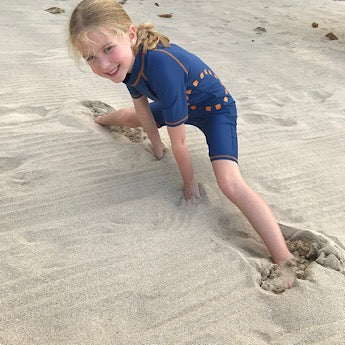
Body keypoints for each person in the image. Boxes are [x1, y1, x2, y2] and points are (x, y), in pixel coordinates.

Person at [68, 0, 295, 278]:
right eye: (90, 58)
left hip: (215, 110)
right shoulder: (124, 64)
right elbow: (141, 106)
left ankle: (284, 258)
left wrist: (190, 184)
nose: (103, 64)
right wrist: (156, 145)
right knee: (131, 117)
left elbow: (181, 143)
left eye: (107, 49)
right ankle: (100, 119)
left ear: (129, 35)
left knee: (229, 182)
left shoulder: (162, 66)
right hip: (178, 103)